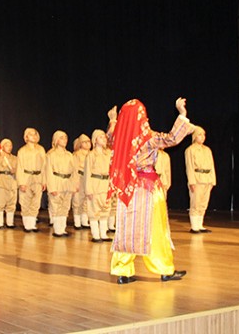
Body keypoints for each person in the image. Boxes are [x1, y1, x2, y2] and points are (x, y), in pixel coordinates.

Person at [109, 97, 194, 284]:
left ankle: (123, 271)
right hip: (148, 188)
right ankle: (164, 268)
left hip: (128, 189)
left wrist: (113, 121)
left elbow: (110, 139)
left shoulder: (119, 137)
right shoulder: (148, 137)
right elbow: (171, 138)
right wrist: (182, 114)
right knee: (156, 229)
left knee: (126, 229)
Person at [184, 126, 216, 233]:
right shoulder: (190, 150)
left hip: (207, 178)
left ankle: (200, 224)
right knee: (196, 202)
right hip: (197, 178)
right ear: (194, 136)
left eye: (204, 135)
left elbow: (212, 166)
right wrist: (191, 181)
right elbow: (189, 166)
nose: (202, 137)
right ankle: (194, 226)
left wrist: (213, 180)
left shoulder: (207, 150)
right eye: (199, 134)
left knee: (204, 203)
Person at [45, 130, 75, 237]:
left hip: (67, 182)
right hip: (56, 181)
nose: (65, 140)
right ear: (56, 140)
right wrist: (52, 187)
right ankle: (57, 229)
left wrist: (73, 185)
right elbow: (48, 172)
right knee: (56, 205)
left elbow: (74, 171)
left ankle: (63, 229)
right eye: (62, 138)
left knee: (65, 206)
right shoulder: (51, 154)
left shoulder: (69, 155)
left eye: (66, 138)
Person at [84, 129, 112, 242]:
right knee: (94, 210)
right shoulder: (91, 155)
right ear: (95, 140)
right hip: (95, 183)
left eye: (104, 137)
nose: (104, 139)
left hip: (106, 184)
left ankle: (103, 233)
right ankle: (96, 235)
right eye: (101, 137)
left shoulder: (108, 154)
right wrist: (88, 189)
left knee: (106, 209)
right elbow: (87, 173)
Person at [16, 128, 47, 232]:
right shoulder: (22, 151)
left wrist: (44, 181)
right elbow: (19, 167)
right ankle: (27, 224)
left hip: (38, 177)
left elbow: (44, 166)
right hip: (26, 176)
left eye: (35, 134)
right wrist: (21, 183)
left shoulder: (41, 149)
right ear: (26, 137)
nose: (33, 136)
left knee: (36, 201)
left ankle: (32, 223)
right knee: (25, 201)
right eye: (30, 134)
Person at [0, 138, 18, 229]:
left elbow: (19, 168)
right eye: (6, 145)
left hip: (12, 181)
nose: (9, 147)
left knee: (11, 203)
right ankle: (0, 223)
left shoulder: (14, 158)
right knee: (0, 202)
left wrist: (15, 170)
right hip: (1, 180)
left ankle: (10, 223)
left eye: (10, 145)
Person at [71, 134, 91, 230]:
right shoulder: (77, 154)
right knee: (77, 200)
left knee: (86, 201)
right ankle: (77, 221)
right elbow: (74, 169)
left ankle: (84, 220)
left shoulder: (92, 154)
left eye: (88, 142)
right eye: (84, 142)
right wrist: (75, 182)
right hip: (79, 177)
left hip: (89, 179)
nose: (87, 144)